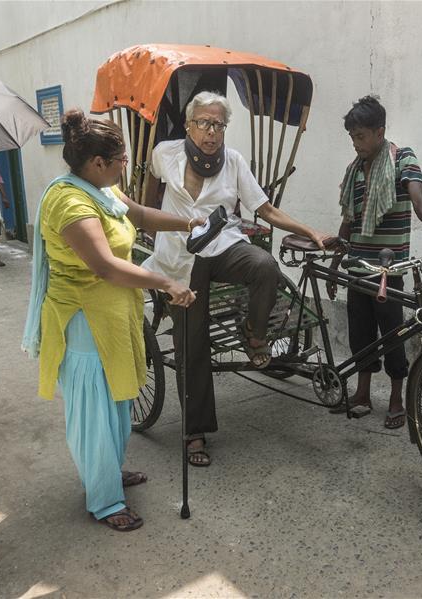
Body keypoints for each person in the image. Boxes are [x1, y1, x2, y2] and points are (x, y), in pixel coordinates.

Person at [22, 109, 198, 532]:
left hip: (114, 315)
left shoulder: (102, 190)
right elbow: (105, 266)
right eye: (121, 160)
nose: (125, 167)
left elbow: (137, 215)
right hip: (84, 323)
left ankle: (109, 471)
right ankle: (103, 500)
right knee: (93, 415)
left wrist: (191, 220)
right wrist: (166, 282)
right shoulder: (70, 201)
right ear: (98, 163)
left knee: (119, 402)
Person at [143, 91, 331, 467]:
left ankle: (254, 333)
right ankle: (194, 432)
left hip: (223, 244)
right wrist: (147, 220)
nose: (212, 132)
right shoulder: (167, 153)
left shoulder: (232, 161)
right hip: (181, 257)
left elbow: (265, 209)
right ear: (189, 125)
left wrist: (310, 231)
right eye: (205, 123)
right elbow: (149, 183)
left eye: (219, 124)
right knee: (190, 340)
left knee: (264, 265)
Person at [331, 95, 422, 429]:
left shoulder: (402, 158)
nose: (356, 143)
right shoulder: (354, 171)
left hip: (390, 270)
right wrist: (335, 265)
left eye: (361, 136)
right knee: (360, 336)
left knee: (392, 335)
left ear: (379, 131)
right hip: (357, 268)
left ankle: (395, 398)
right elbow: (348, 222)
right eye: (352, 138)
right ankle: (361, 393)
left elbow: (418, 199)